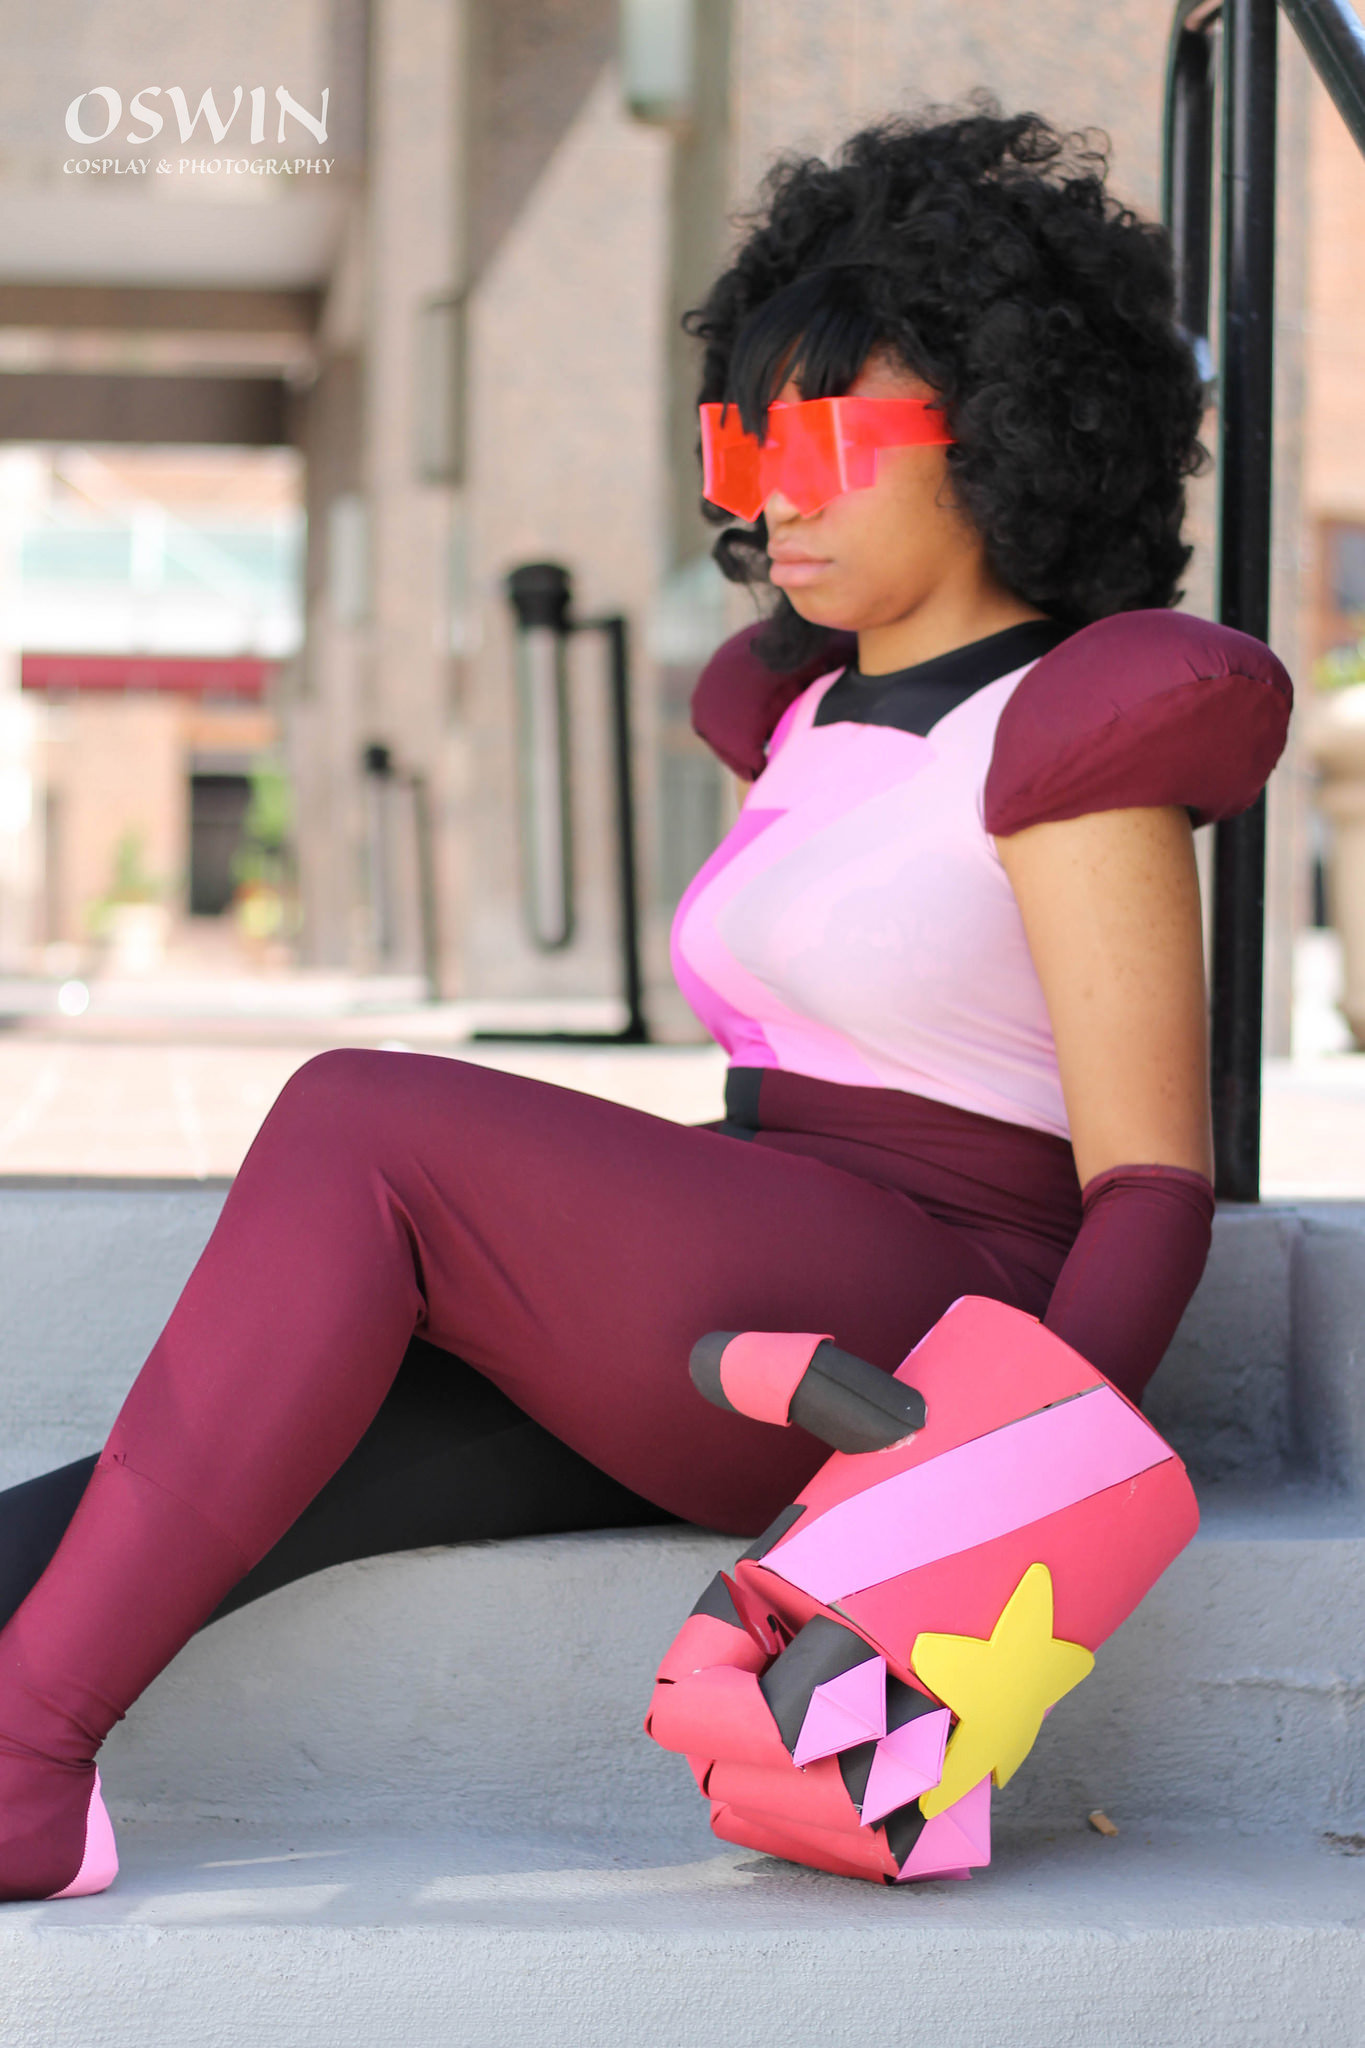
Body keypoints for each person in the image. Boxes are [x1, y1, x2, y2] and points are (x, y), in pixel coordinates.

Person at [0, 105, 1289, 1903]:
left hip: (912, 1337)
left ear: (1009, 433)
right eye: (745, 441)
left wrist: (973, 1507)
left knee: (363, 1118)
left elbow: (1148, 1189)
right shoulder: (798, 712)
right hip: (744, 1272)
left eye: (828, 441)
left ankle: (27, 1767)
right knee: (196, 1471)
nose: (775, 496)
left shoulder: (1077, 729)